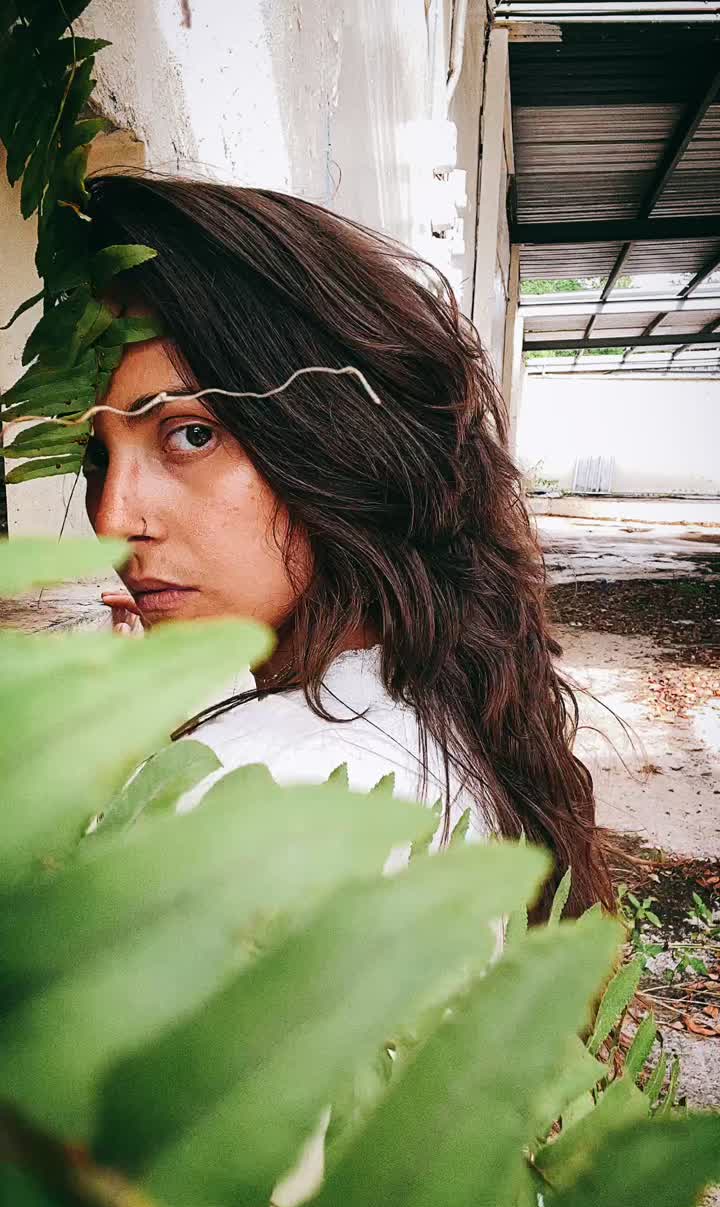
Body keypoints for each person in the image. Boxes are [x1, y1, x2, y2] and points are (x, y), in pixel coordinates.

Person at [85, 171, 613, 919]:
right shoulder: (434, 696)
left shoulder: (255, 797)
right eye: (97, 457)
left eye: (191, 435)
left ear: (337, 440)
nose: (114, 519)